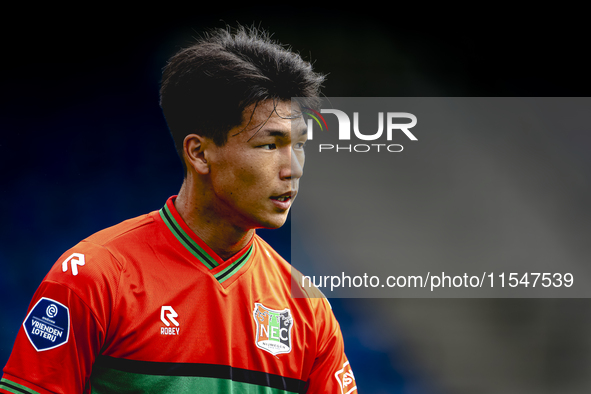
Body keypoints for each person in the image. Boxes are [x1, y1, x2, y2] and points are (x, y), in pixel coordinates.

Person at [0, 25, 358, 393]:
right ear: (199, 153)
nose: (293, 168)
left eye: (299, 145)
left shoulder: (308, 306)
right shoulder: (94, 276)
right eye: (270, 145)